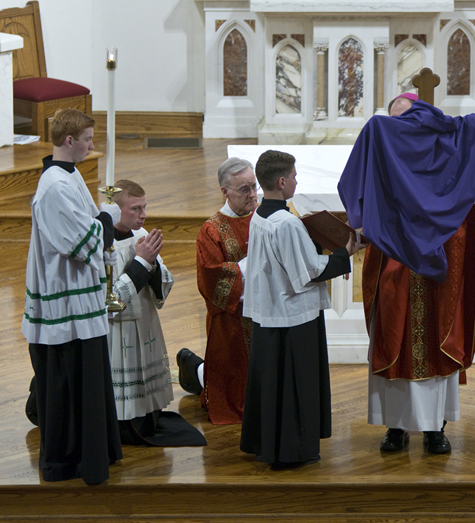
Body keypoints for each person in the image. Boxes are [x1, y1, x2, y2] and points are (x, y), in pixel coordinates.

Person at [338, 98, 475, 454]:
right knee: (392, 337)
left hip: (439, 274)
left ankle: (434, 428)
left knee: (437, 342)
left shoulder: (450, 161)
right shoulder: (384, 160)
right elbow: (357, 196)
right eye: (395, 124)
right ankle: (394, 427)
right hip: (395, 269)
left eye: (406, 123)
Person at [22, 108, 123, 485]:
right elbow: (83, 242)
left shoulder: (70, 174)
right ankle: (66, 461)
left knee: (86, 380)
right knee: (67, 381)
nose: (92, 146)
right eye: (88, 140)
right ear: (70, 141)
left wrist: (103, 217)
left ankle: (94, 452)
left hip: (78, 297)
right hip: (65, 301)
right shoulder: (55, 187)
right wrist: (108, 218)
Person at [239, 150, 358, 467]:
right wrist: (344, 252)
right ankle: (291, 449)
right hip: (293, 316)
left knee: (273, 382)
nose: (296, 181)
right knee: (294, 384)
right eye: (293, 176)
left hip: (271, 312)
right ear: (281, 181)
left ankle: (270, 442)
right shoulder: (287, 223)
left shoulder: (261, 216)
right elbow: (307, 272)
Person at [107, 180, 205, 446]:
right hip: (118, 331)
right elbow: (110, 303)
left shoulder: (143, 236)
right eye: (135, 209)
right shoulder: (104, 247)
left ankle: (148, 415)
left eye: (145, 207)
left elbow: (163, 285)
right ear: (116, 210)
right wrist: (140, 261)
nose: (143, 215)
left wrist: (151, 263)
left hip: (147, 322)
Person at [178, 157, 257, 424]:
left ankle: (193, 367)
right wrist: (251, 265)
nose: (253, 195)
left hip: (265, 313)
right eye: (244, 190)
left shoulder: (264, 217)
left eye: (254, 187)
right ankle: (192, 368)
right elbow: (212, 278)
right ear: (225, 191)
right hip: (232, 318)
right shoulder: (211, 230)